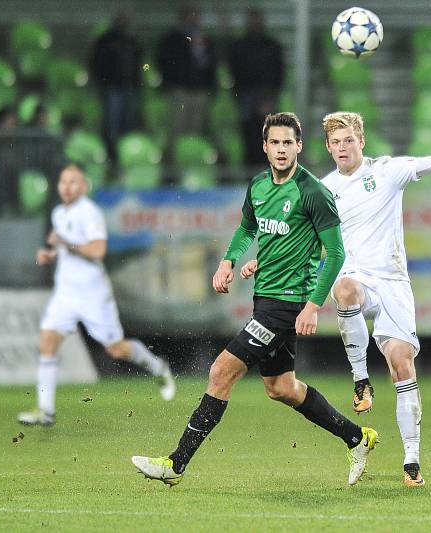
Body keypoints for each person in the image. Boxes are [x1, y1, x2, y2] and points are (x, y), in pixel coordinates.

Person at [131, 112, 377, 487]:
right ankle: (357, 437)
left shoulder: (313, 193)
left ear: (299, 146)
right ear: (265, 147)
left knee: (220, 371)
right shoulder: (260, 186)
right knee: (281, 388)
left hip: (287, 304)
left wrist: (312, 305)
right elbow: (248, 228)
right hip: (265, 299)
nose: (281, 149)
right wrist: (230, 260)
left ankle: (175, 463)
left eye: (287, 142)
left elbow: (336, 253)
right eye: (274, 143)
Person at [319, 111, 431, 487]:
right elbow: (301, 235)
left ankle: (411, 460)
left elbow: (424, 163)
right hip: (356, 277)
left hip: (392, 283)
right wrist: (263, 258)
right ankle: (361, 380)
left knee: (403, 366)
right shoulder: (322, 189)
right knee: (344, 290)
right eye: (335, 142)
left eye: (348, 141)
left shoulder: (385, 172)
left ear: (361, 142)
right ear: (328, 147)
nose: (342, 148)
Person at [17, 164, 175, 426]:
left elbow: (97, 250)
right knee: (47, 342)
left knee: (116, 349)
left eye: (73, 182)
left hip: (93, 294)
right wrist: (52, 253)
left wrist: (66, 243)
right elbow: (70, 250)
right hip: (66, 293)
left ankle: (158, 367)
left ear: (83, 187)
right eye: (63, 182)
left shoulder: (90, 213)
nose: (67, 187)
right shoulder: (58, 212)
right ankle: (46, 410)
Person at [227, 8, 285, 166]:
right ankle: (249, 167)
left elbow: (279, 73)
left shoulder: (272, 46)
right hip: (245, 95)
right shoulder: (238, 46)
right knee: (247, 132)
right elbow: (234, 72)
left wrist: (271, 97)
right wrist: (238, 95)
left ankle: (268, 167)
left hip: (267, 95)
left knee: (269, 134)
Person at [156, 6, 217, 139]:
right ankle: (175, 157)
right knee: (177, 125)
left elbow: (211, 64)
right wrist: (171, 83)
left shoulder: (205, 40)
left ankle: (192, 155)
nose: (195, 20)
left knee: (196, 127)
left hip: (200, 89)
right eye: (191, 16)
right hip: (180, 89)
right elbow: (164, 62)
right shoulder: (172, 39)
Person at [89, 11, 142, 159]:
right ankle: (111, 154)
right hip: (112, 87)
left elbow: (142, 64)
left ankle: (125, 153)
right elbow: (96, 63)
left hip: (129, 86)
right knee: (112, 122)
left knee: (128, 122)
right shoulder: (106, 40)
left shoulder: (132, 40)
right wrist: (103, 82)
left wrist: (140, 76)